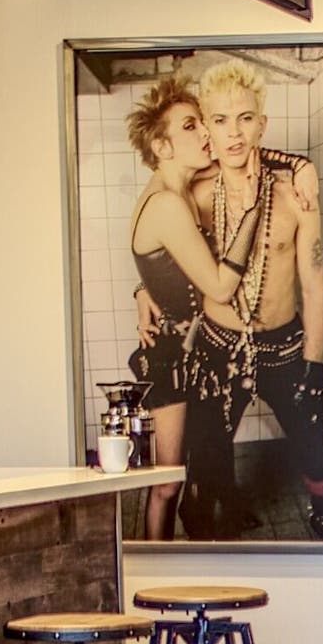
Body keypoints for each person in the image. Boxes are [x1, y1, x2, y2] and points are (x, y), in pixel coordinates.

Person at [181, 58, 323, 542]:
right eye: (219, 120)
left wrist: (315, 367)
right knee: (208, 457)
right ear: (207, 129)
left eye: (244, 118)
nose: (233, 134)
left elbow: (316, 282)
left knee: (313, 449)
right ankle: (218, 520)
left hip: (283, 345)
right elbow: (162, 246)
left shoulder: (294, 196)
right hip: (217, 346)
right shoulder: (194, 195)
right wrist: (141, 293)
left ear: (262, 123)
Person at [118, 73, 244, 541]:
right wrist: (250, 221)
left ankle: (189, 547)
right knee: (167, 482)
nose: (206, 133)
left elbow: (242, 159)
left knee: (190, 473)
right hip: (172, 353)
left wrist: (142, 290)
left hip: (192, 349)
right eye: (190, 126)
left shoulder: (173, 190)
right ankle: (155, 571)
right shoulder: (168, 205)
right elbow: (218, 286)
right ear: (162, 145)